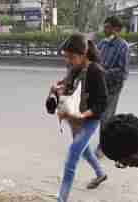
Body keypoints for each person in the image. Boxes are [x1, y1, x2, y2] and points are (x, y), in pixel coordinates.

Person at [49, 33, 109, 202]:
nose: (68, 61)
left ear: (83, 54)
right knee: (85, 151)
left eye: (71, 57)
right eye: (66, 57)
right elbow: (68, 86)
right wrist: (57, 88)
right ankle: (101, 173)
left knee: (72, 156)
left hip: (89, 119)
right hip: (74, 118)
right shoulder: (74, 68)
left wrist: (83, 115)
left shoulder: (95, 71)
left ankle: (61, 199)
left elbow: (102, 103)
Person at [95, 16, 130, 159]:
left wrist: (104, 73)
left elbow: (123, 72)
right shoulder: (102, 43)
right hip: (99, 85)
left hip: (113, 87)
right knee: (97, 115)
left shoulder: (123, 47)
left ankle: (103, 147)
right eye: (105, 26)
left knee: (106, 117)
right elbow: (94, 59)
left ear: (117, 29)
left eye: (108, 27)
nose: (105, 29)